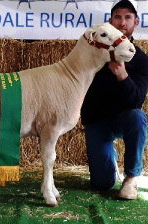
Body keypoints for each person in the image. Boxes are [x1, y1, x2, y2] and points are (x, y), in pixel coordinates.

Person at [81, 0, 148, 199]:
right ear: (110, 21)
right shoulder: (94, 51)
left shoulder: (141, 60)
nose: (122, 22)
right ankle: (109, 160)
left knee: (137, 117)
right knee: (102, 184)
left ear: (135, 22)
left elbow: (136, 100)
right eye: (117, 17)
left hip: (123, 118)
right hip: (97, 120)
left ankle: (131, 177)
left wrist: (122, 76)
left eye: (128, 18)